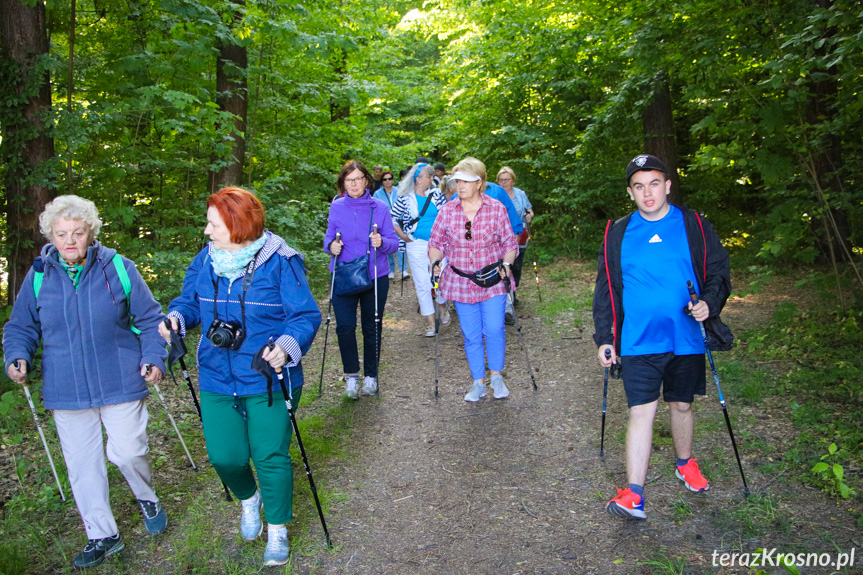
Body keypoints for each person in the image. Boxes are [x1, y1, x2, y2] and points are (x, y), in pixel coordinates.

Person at [3, 195, 168, 569]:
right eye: (61, 234)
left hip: (121, 379)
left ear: (90, 233)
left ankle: (146, 496)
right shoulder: (40, 275)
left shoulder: (119, 268)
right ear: (51, 236)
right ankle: (102, 534)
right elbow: (20, 326)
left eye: (78, 232)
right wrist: (18, 355)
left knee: (128, 452)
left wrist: (153, 357)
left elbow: (149, 318)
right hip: (67, 388)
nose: (70, 240)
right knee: (83, 466)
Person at [160, 187, 321, 566]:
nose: (206, 231)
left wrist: (285, 345)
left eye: (213, 224)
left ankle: (278, 530)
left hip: (268, 376)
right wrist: (177, 319)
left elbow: (305, 316)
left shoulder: (281, 261)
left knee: (269, 455)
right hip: (217, 375)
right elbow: (188, 303)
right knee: (225, 457)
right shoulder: (205, 261)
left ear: (237, 225)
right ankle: (250, 499)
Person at [593, 154, 732, 520]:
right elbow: (606, 289)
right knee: (641, 411)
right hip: (637, 340)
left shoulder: (694, 226)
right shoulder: (617, 232)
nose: (648, 192)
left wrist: (709, 304)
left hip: (685, 336)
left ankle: (685, 463)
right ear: (630, 192)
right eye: (639, 186)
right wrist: (604, 338)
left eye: (654, 183)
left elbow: (718, 272)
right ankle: (633, 495)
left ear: (668, 185)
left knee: (681, 405)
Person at [428, 158, 519, 402]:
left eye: (466, 181)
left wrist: (507, 265)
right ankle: (478, 382)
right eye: (458, 181)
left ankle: (497, 377)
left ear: (479, 183)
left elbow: (510, 244)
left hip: (492, 279)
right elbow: (435, 243)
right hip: (461, 281)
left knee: (494, 329)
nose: (460, 186)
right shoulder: (447, 210)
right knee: (471, 335)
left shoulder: (496, 208)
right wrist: (435, 262)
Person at [324, 160, 399, 399]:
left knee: (372, 326)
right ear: (343, 183)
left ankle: (371, 377)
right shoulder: (336, 207)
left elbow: (394, 244)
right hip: (344, 275)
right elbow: (328, 240)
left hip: (374, 276)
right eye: (349, 180)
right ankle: (351, 377)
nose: (354, 184)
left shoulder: (380, 208)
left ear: (366, 180)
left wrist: (382, 243)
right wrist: (331, 246)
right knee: (345, 327)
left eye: (358, 179)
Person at [392, 163, 449, 336]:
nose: (432, 179)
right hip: (416, 245)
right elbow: (394, 218)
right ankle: (431, 322)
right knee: (422, 283)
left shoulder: (437, 194)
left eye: (433, 176)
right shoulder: (404, 197)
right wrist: (404, 237)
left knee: (441, 278)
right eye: (429, 176)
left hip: (439, 244)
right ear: (418, 178)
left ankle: (442, 305)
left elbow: (447, 215)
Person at [497, 166, 535, 320]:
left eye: (507, 179)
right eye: (501, 179)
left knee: (517, 266)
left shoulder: (520, 194)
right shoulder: (496, 194)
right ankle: (506, 297)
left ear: (512, 180)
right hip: (502, 236)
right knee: (505, 265)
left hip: (520, 234)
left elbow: (529, 210)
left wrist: (529, 216)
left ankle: (513, 290)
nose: (504, 182)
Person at [373, 170, 408, 280]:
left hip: (399, 221)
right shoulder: (377, 194)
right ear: (382, 181)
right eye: (385, 179)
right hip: (385, 222)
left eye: (389, 179)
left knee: (400, 244)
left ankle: (404, 270)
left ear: (393, 180)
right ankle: (390, 270)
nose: (387, 181)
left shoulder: (400, 191)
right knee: (386, 245)